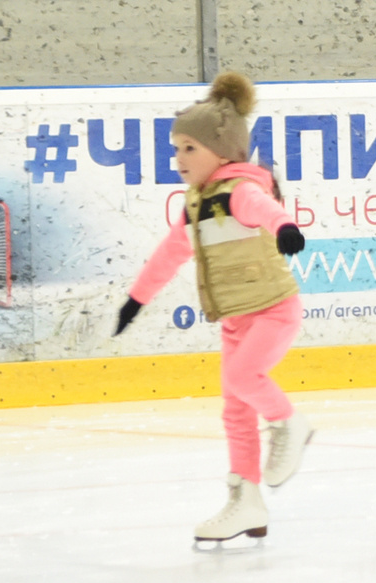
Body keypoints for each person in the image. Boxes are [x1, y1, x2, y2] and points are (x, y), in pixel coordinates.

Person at [113, 73, 314, 548]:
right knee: (235, 411)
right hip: (234, 321)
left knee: (244, 379)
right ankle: (247, 501)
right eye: (176, 148)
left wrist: (286, 228)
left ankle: (289, 423)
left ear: (222, 153)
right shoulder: (195, 207)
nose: (179, 158)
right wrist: (137, 299)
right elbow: (169, 254)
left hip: (272, 311)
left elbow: (266, 210)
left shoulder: (239, 191)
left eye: (190, 148)